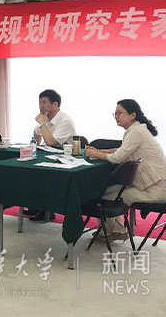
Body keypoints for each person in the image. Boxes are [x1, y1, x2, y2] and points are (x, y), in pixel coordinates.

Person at [85, 99, 166, 241]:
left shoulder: (136, 131)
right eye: (115, 113)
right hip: (152, 185)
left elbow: (117, 158)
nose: (116, 116)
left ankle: (110, 231)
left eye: (120, 113)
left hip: (157, 189)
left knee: (106, 194)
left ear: (132, 115)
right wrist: (99, 151)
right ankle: (115, 230)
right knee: (108, 190)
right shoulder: (137, 129)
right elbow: (122, 150)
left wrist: (95, 154)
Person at [30, 89, 76, 221]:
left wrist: (42, 123)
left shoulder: (65, 120)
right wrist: (35, 146)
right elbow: (36, 133)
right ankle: (37, 205)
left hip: (66, 159)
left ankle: (48, 209)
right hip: (50, 155)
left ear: (55, 104)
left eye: (44, 102)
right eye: (39, 103)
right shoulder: (46, 119)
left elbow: (51, 141)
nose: (41, 106)